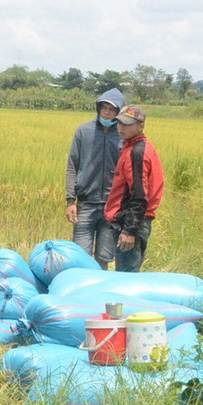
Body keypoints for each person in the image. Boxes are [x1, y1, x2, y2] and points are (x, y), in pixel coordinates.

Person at [65, 87, 127, 267]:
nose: (107, 113)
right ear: (98, 108)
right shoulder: (84, 131)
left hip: (112, 206)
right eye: (104, 108)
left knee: (104, 258)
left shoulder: (123, 135)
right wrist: (70, 201)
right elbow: (72, 166)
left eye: (112, 109)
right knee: (80, 258)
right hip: (85, 204)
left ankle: (98, 294)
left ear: (119, 112)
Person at [103, 105, 163, 272]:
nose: (121, 128)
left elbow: (139, 195)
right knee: (129, 273)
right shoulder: (135, 146)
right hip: (133, 221)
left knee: (126, 277)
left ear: (141, 126)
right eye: (119, 123)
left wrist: (129, 230)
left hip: (131, 222)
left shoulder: (137, 152)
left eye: (128, 125)